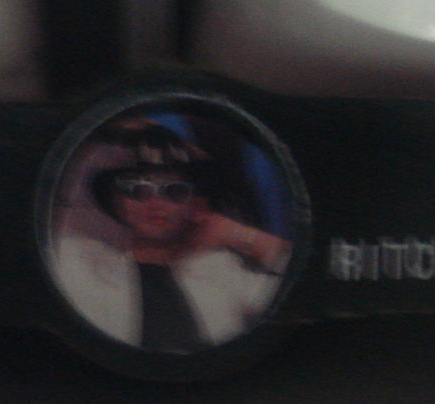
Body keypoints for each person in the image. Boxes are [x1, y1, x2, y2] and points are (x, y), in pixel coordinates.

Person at [51, 120, 291, 352]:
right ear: (119, 202)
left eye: (175, 190)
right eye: (137, 188)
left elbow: (295, 289)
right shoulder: (81, 262)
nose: (155, 202)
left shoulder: (220, 268)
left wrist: (238, 234)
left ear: (193, 206)